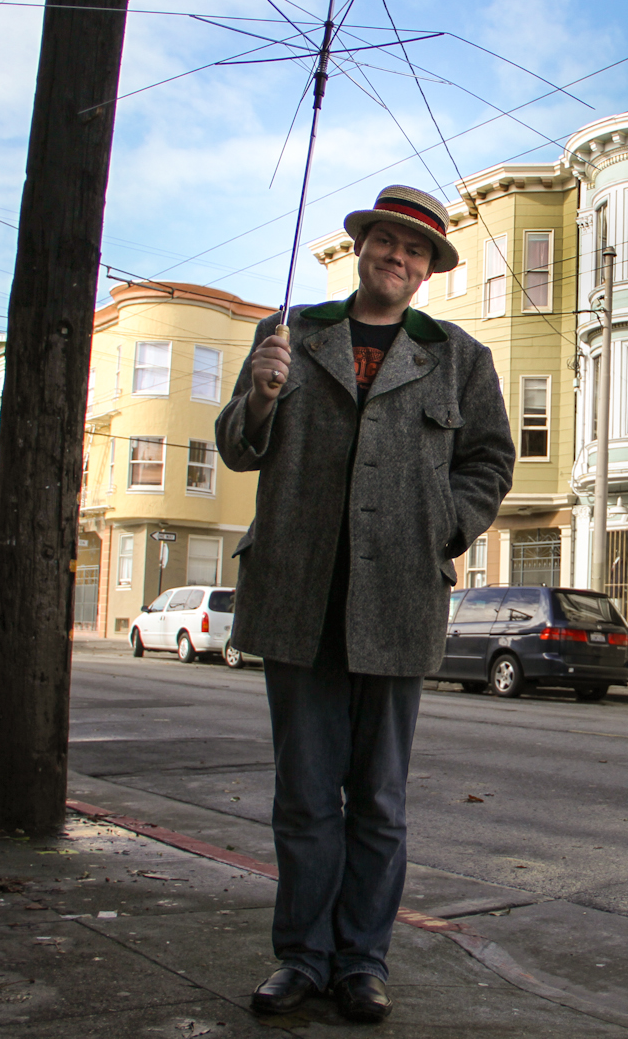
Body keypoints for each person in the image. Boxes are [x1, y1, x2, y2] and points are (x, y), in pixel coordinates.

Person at [216, 185, 514, 1023]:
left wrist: (444, 527)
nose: (400, 257)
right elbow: (238, 447)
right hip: (297, 599)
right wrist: (263, 396)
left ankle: (362, 962)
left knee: (377, 802)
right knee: (305, 797)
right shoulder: (291, 335)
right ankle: (302, 958)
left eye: (417, 251)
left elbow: (490, 459)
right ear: (363, 248)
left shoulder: (458, 356)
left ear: (426, 270)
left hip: (398, 602)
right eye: (388, 241)